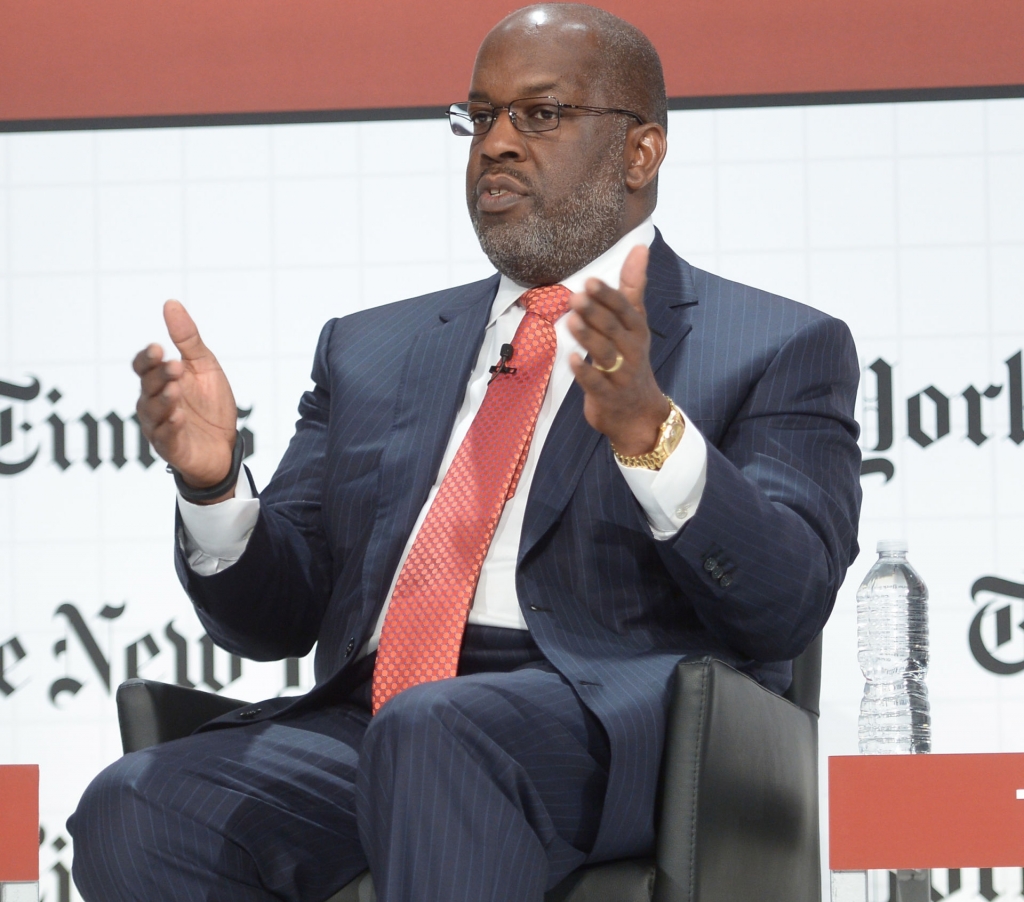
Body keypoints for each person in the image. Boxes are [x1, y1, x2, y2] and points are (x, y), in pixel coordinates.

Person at [68, 4, 862, 901]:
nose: (497, 144)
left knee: (435, 731)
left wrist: (652, 436)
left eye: (541, 114)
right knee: (136, 803)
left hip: (610, 727)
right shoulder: (371, 350)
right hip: (374, 722)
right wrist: (213, 488)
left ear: (641, 152)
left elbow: (784, 605)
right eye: (480, 117)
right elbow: (274, 621)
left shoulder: (776, 344)